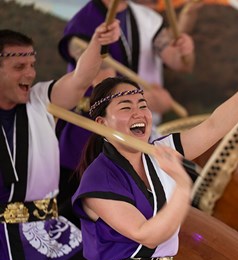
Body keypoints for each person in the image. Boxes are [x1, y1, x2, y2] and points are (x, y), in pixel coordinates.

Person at [71, 64, 238, 260]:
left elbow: (213, 127)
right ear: (102, 124)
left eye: (143, 105)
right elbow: (147, 235)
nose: (138, 113)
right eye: (125, 107)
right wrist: (182, 186)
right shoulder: (98, 178)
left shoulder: (161, 152)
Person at [0, 22, 120, 260]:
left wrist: (96, 44)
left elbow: (80, 79)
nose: (30, 74)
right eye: (19, 67)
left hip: (50, 233)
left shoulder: (40, 99)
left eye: (32, 65)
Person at [56, 0, 196, 226]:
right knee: (79, 220)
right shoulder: (84, 21)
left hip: (129, 132)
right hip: (87, 136)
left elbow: (180, 63)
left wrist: (185, 52)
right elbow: (99, 78)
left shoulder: (145, 18)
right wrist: (149, 100)